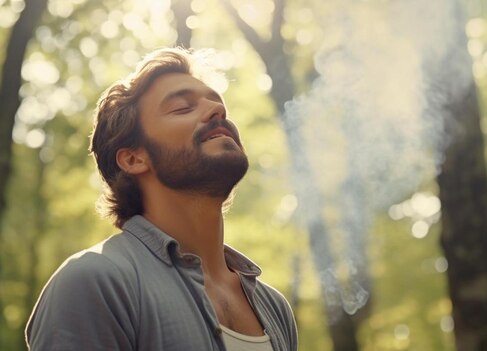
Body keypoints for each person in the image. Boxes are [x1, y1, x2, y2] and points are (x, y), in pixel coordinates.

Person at [25, 47, 298, 351]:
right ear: (134, 159)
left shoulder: (276, 308)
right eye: (182, 108)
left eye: (218, 105)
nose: (216, 111)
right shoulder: (94, 282)